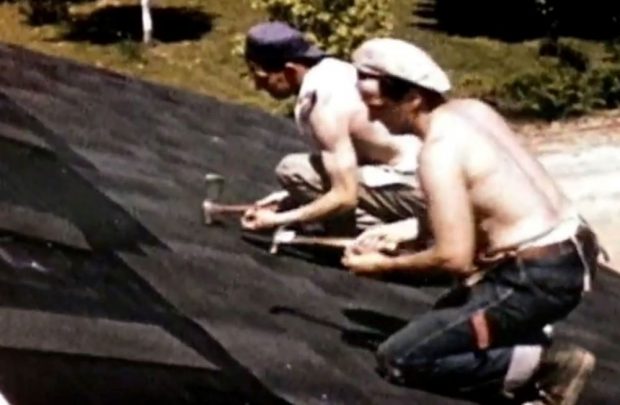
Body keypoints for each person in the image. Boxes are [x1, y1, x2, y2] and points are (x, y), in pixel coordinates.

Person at [342, 37, 600, 404]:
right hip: (570, 253)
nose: (371, 118)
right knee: (443, 323)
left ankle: (545, 365)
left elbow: (453, 258)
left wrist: (383, 267)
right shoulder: (472, 111)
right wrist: (397, 231)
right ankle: (517, 335)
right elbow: (489, 199)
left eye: (378, 107)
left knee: (401, 357)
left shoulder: (437, 153)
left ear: (413, 98)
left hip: (534, 278)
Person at [238, 21, 426, 242]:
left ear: (289, 71)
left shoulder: (323, 105)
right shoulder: (335, 70)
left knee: (294, 171)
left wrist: (280, 220)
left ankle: (372, 237)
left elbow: (344, 196)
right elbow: (362, 158)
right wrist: (289, 199)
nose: (259, 87)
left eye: (262, 78)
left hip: (418, 189)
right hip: (417, 178)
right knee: (303, 178)